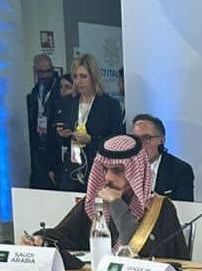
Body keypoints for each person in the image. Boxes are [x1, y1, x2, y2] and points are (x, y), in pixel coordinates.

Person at [24, 134, 188, 259]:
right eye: (104, 169)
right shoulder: (95, 202)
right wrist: (40, 239)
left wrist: (116, 203)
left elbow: (132, 247)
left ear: (136, 172)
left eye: (117, 170)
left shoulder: (159, 209)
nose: (108, 178)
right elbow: (65, 235)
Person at [52, 54, 125, 192]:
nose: (78, 81)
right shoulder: (69, 103)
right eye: (75, 77)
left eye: (83, 76)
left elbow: (117, 141)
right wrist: (64, 134)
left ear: (93, 77)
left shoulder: (109, 105)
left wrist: (91, 140)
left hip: (98, 169)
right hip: (72, 168)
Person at [131, 113, 195, 202]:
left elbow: (185, 207)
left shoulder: (180, 170)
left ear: (161, 140)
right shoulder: (123, 167)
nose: (140, 144)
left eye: (146, 138)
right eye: (135, 139)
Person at [26, 54, 61, 190]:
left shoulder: (60, 90)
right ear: (35, 71)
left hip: (55, 146)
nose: (46, 76)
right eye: (42, 72)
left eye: (48, 71)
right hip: (38, 147)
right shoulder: (35, 92)